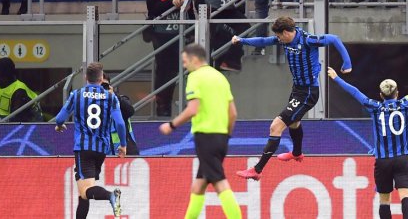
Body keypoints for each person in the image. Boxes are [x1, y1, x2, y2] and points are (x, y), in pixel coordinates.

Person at [232, 16, 352, 180]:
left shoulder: (308, 40)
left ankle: (257, 170)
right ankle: (296, 153)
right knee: (294, 122)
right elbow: (263, 41)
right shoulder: (283, 40)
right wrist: (242, 40)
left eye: (280, 35)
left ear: (287, 32)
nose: (279, 39)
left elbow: (334, 39)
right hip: (297, 90)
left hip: (308, 92)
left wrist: (347, 63)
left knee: (276, 126)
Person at [328, 52, 408, 219]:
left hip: (382, 160)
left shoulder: (374, 106)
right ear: (397, 93)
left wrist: (336, 78)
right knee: (406, 195)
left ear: (381, 95)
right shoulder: (405, 103)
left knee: (384, 200)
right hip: (402, 158)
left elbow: (354, 92)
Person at [159, 44, 241, 219]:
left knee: (220, 183)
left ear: (194, 59)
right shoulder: (220, 77)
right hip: (221, 137)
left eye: (185, 61)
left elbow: (193, 109)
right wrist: (226, 135)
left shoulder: (195, 77)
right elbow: (233, 113)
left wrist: (171, 125)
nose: (184, 65)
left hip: (205, 136)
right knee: (198, 186)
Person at [54, 62, 127, 219]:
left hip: (84, 148)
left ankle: (111, 196)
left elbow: (60, 118)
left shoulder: (77, 95)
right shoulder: (111, 97)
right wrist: (123, 145)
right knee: (83, 193)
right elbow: (120, 123)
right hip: (101, 149)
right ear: (101, 79)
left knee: (85, 191)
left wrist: (59, 125)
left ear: (85, 77)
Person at [146, 0, 193, 116]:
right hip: (161, 34)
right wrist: (170, 3)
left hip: (182, 31)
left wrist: (193, 26)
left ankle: (190, 106)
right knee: (165, 70)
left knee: (183, 68)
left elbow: (190, 5)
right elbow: (152, 8)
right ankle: (163, 105)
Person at [0, 57, 43, 122]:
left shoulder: (19, 90)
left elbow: (16, 120)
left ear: (4, 74)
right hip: (0, 125)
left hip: (27, 125)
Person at [104, 74, 140, 156]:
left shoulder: (120, 99)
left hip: (125, 151)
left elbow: (130, 111)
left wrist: (114, 96)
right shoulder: (92, 104)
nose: (103, 89)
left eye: (105, 85)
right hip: (104, 153)